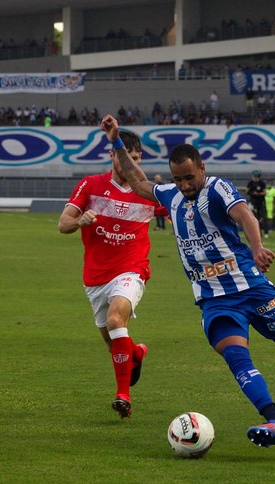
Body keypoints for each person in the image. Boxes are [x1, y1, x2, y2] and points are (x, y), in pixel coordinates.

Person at [100, 114, 275, 448]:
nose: (184, 185)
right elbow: (139, 181)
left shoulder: (217, 187)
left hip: (251, 287)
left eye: (188, 177)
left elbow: (244, 214)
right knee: (236, 356)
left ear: (201, 167)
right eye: (177, 179)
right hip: (215, 300)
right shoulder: (170, 196)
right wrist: (115, 141)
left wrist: (257, 248)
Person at [57, 130, 166, 419]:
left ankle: (123, 395)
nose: (132, 162)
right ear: (113, 156)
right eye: (127, 157)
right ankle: (136, 354)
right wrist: (80, 220)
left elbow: (182, 211)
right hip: (95, 277)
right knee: (112, 340)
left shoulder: (147, 193)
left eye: (137, 158)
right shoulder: (91, 186)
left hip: (131, 269)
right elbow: (63, 224)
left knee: (117, 319)